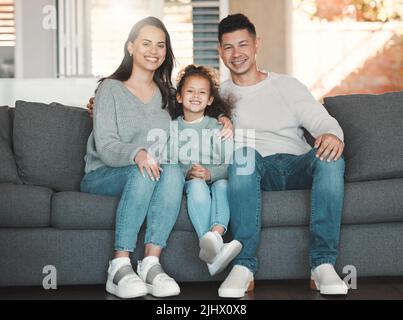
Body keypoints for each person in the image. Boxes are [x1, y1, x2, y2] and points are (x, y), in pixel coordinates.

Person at [217, 14, 348, 298]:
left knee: (331, 158)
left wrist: (331, 135)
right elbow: (177, 111)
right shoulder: (217, 95)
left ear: (256, 45)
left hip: (297, 163)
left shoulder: (287, 85)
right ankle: (243, 265)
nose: (236, 54)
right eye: (228, 47)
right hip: (255, 169)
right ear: (220, 52)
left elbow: (321, 120)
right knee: (242, 156)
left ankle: (322, 263)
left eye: (243, 45)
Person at [81, 17, 187, 299]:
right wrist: (137, 153)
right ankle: (119, 265)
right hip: (103, 174)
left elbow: (202, 107)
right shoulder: (109, 89)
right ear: (130, 47)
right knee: (145, 169)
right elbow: (105, 145)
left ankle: (151, 263)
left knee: (174, 170)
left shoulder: (168, 95)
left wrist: (223, 118)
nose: (154, 51)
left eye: (161, 45)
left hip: (148, 172)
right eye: (146, 43)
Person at [168, 65, 241, 277]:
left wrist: (210, 173)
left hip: (217, 176)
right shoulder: (172, 128)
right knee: (198, 186)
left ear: (210, 100)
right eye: (190, 91)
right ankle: (212, 249)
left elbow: (230, 164)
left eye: (202, 92)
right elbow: (169, 162)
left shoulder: (218, 128)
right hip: (191, 181)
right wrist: (188, 172)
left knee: (223, 185)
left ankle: (216, 236)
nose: (196, 96)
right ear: (180, 97)